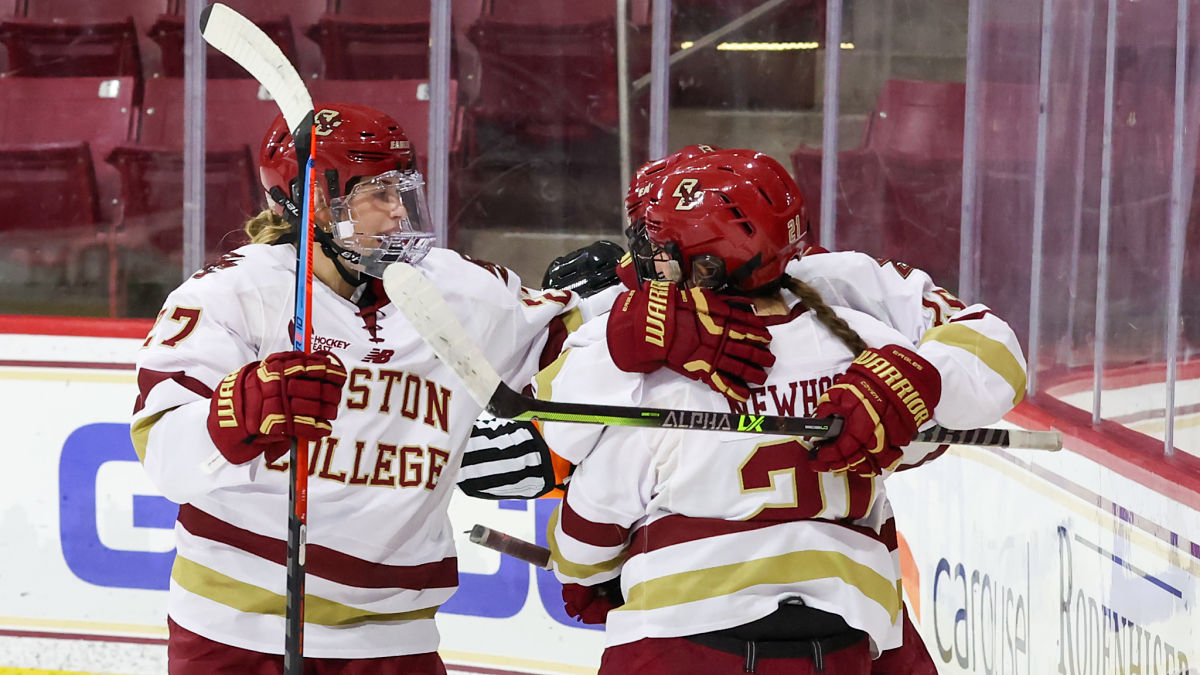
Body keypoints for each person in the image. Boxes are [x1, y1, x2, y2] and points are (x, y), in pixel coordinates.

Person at [130, 103, 776, 674]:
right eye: (376, 194)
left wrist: (645, 307)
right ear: (311, 204)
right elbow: (166, 455)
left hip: (398, 632)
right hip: (240, 630)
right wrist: (236, 413)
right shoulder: (230, 296)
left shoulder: (457, 289)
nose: (399, 212)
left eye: (401, 190)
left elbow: (573, 353)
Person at [535, 148, 1027, 673]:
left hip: (681, 634)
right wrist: (915, 385)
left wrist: (584, 570)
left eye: (656, 243)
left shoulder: (659, 372)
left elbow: (583, 481)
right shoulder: (862, 339)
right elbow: (930, 438)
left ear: (703, 261)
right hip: (846, 632)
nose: (641, 259)